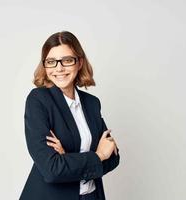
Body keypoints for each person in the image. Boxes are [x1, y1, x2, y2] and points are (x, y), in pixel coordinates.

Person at [20, 31, 120, 200]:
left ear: (79, 62)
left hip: (92, 196)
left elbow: (114, 157)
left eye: (67, 60)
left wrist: (66, 158)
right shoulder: (39, 100)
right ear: (45, 66)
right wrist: (98, 155)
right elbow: (51, 170)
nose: (59, 68)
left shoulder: (92, 103)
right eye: (51, 62)